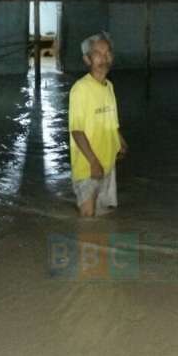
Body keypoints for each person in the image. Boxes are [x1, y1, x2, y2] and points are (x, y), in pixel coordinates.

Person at [69, 32, 128, 217]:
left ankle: (98, 246)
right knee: (87, 216)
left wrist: (120, 141)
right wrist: (93, 162)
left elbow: (111, 122)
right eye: (97, 53)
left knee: (101, 216)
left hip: (108, 163)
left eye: (107, 52)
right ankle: (85, 246)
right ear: (87, 59)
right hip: (88, 165)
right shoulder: (80, 89)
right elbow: (77, 131)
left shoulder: (109, 86)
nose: (104, 57)